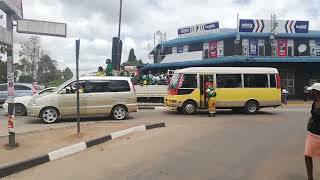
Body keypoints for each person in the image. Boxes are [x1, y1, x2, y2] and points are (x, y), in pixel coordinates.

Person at [305, 83, 320, 180]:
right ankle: (310, 177)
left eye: (314, 91)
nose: (312, 93)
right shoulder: (314, 102)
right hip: (313, 133)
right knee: (307, 154)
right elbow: (313, 114)